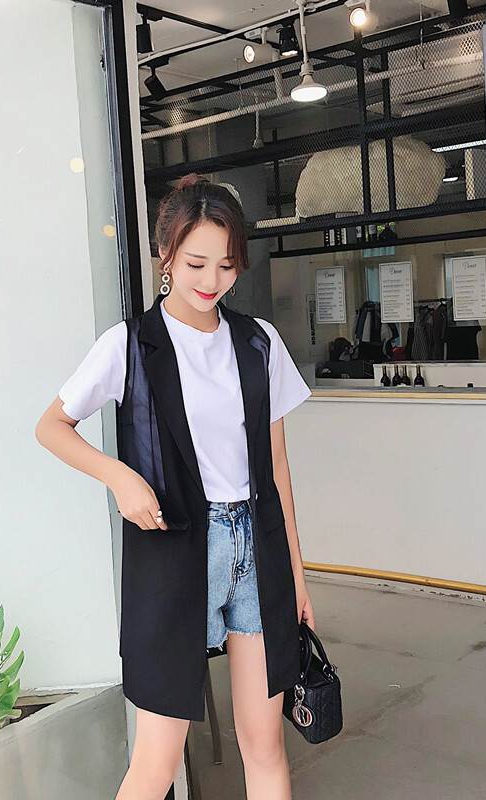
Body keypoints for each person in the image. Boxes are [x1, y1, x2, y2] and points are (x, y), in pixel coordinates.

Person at [35, 173, 315, 800]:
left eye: (226, 265)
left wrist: (296, 575)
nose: (211, 280)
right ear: (165, 255)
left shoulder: (258, 342)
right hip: (177, 549)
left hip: (257, 548)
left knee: (265, 746)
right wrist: (120, 478)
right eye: (195, 263)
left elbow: (277, 469)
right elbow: (51, 427)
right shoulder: (129, 346)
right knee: (156, 764)